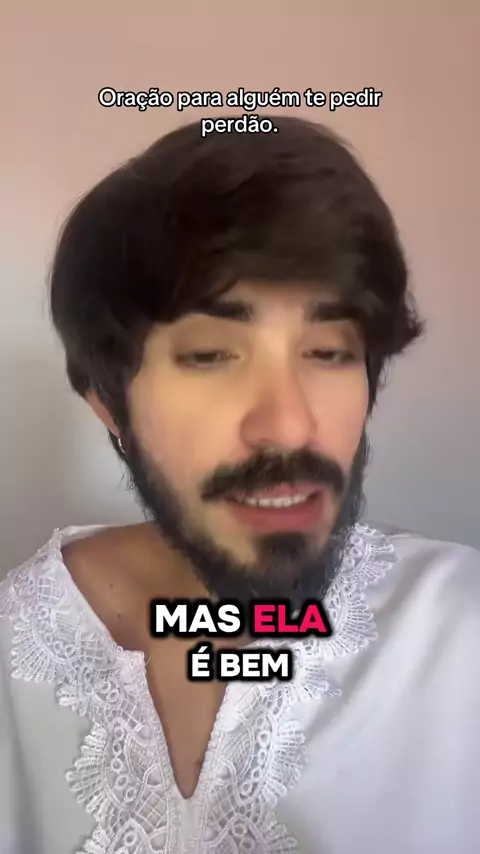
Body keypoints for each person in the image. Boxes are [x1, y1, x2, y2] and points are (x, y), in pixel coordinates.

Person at [0, 116, 478, 854]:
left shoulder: (459, 633)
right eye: (210, 356)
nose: (289, 426)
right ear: (108, 403)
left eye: (329, 350)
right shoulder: (14, 662)